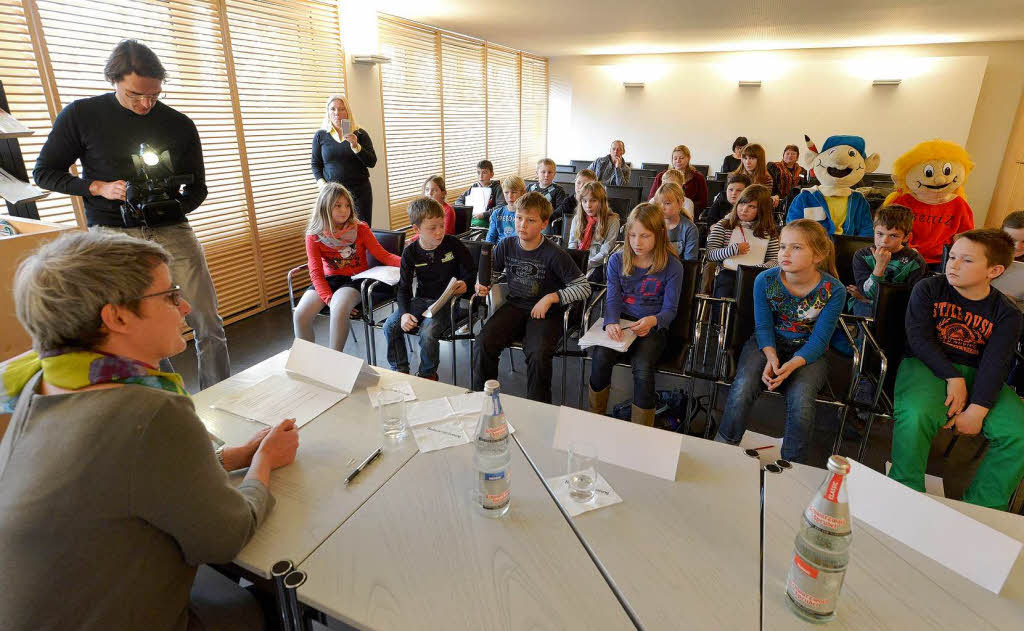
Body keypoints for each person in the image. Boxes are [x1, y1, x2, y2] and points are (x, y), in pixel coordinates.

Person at [0, 230, 299, 630]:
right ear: (117, 316)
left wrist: (231, 457)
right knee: (271, 593)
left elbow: (118, 479)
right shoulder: (149, 409)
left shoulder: (36, 383)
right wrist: (263, 462)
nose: (186, 305)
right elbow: (226, 537)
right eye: (171, 296)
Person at [32, 39, 229, 390]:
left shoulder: (179, 124)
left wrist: (172, 207)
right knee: (139, 328)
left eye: (153, 96)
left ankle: (223, 395)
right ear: (114, 81)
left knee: (207, 321)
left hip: (172, 229)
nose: (145, 104)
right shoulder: (82, 115)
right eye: (135, 95)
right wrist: (97, 188)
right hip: (112, 233)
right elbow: (45, 172)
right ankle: (170, 401)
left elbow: (197, 189)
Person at [888, 229, 1024, 510]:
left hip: (980, 376)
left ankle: (983, 507)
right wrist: (953, 377)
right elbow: (919, 339)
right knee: (916, 415)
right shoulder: (928, 288)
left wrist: (978, 409)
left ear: (994, 270)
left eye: (967, 260)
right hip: (926, 365)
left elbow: (996, 363)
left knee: (1018, 432)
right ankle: (905, 492)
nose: (953, 264)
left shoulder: (1007, 313)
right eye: (953, 256)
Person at [714, 219, 846, 463]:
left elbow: (820, 339)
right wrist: (771, 356)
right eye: (783, 246)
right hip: (767, 342)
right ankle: (723, 446)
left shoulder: (833, 290)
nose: (785, 253)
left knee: (802, 400)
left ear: (817, 255)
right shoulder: (765, 280)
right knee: (743, 387)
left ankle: (791, 463)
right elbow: (763, 326)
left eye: (796, 248)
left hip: (808, 350)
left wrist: (792, 365)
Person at [473, 192, 592, 403]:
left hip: (546, 312)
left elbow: (583, 288)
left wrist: (551, 298)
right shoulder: (506, 245)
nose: (522, 225)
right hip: (516, 305)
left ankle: (538, 406)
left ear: (544, 223)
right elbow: (491, 274)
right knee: (484, 342)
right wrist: (483, 284)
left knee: (537, 353)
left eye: (530, 220)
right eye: (519, 218)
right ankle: (482, 399)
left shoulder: (554, 254)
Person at [587, 204, 684, 426]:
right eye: (632, 235)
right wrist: (611, 321)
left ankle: (642, 429)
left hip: (653, 327)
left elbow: (670, 310)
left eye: (644, 236)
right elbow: (612, 298)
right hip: (622, 321)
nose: (637, 242)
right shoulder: (617, 260)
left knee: (643, 367)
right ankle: (595, 418)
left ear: (659, 235)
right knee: (600, 357)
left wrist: (653, 320)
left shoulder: (673, 267)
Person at [294, 183, 400, 351]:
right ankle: (307, 361)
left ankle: (335, 360)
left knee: (339, 305)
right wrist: (328, 298)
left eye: (347, 205)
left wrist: (407, 264)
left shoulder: (361, 228)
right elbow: (315, 273)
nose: (344, 210)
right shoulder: (314, 235)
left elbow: (383, 255)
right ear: (325, 208)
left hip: (357, 279)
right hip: (330, 280)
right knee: (300, 314)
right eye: (338, 205)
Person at [383, 197, 474, 380]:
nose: (440, 232)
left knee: (428, 332)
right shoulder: (410, 252)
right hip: (422, 301)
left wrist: (466, 284)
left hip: (448, 303)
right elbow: (404, 288)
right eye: (432, 228)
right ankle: (400, 369)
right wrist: (403, 313)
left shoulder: (453, 244)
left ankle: (427, 374)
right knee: (390, 326)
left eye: (442, 225)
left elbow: (471, 271)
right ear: (417, 229)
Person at [846, 205, 926, 316]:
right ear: (873, 230)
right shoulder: (862, 256)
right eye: (880, 234)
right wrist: (880, 265)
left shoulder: (915, 261)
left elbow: (912, 298)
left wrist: (866, 298)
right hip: (866, 307)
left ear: (906, 237)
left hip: (898, 308)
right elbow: (868, 293)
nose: (884, 241)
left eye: (893, 235)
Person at [311, 94, 378, 225]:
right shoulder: (321, 135)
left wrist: (355, 146)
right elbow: (315, 164)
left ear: (347, 111)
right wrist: (324, 186)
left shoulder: (360, 134)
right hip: (333, 196)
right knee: (337, 232)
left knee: (361, 231)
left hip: (360, 193)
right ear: (328, 112)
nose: (337, 113)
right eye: (333, 109)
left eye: (342, 109)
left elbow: (372, 162)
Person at [706, 184, 780, 298]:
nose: (744, 209)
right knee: (724, 291)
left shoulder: (769, 231)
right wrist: (733, 250)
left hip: (756, 276)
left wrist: (760, 268)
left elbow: (775, 260)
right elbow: (710, 254)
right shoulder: (724, 225)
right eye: (742, 203)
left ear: (762, 210)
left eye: (752, 206)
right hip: (728, 273)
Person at [568, 181, 620, 280]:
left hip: (597, 263)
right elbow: (572, 244)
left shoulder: (613, 220)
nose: (588, 205)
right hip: (578, 261)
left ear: (601, 201)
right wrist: (574, 262)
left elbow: (605, 252)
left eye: (593, 200)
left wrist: (586, 264)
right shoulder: (577, 218)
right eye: (584, 201)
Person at [647, 145, 709, 211]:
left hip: (687, 211)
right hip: (662, 211)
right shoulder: (661, 176)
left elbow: (703, 203)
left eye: (681, 158)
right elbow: (652, 198)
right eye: (675, 158)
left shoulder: (698, 177)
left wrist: (680, 209)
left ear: (688, 158)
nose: (678, 161)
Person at [653, 182, 699, 261]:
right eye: (659, 203)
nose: (662, 208)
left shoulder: (690, 228)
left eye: (667, 203)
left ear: (680, 203)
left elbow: (690, 262)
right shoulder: (653, 224)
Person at [456, 159, 505, 227]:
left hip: (487, 219)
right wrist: (465, 210)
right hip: (472, 217)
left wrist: (484, 214)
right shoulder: (474, 187)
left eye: (484, 173)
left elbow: (501, 206)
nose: (481, 176)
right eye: (478, 173)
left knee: (476, 225)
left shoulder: (497, 188)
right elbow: (459, 200)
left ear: (491, 174)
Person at [485, 175, 526, 244]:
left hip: (519, 248)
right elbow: (490, 238)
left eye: (514, 192)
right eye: (506, 192)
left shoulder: (527, 214)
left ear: (523, 193)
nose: (510, 196)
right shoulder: (497, 213)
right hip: (500, 249)